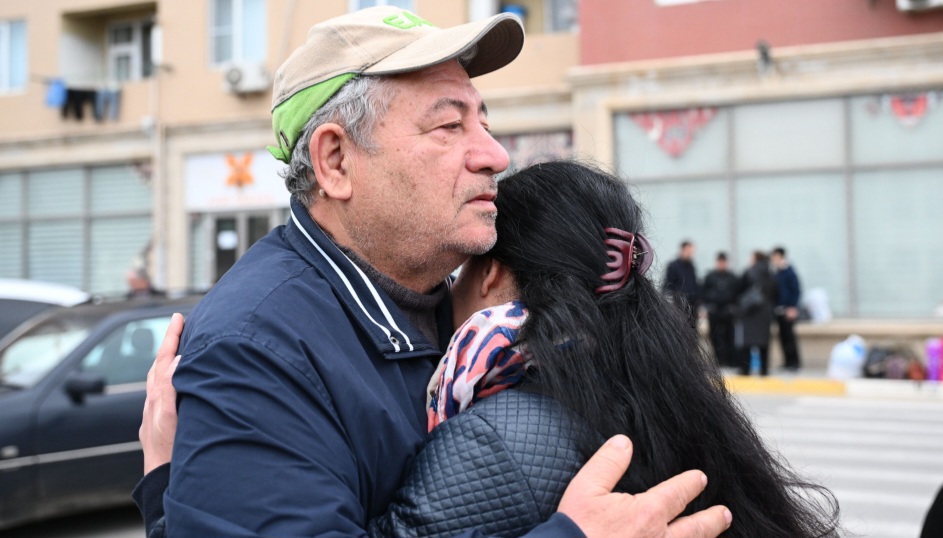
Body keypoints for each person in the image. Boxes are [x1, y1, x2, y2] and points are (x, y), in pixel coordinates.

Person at [133, 7, 732, 538]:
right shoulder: (258, 348)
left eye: (484, 123)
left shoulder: (467, 319)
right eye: (450, 126)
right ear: (336, 161)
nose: (495, 155)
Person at [139, 161, 839, 538]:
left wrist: (165, 481)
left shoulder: (499, 433)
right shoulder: (626, 379)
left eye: (461, 267)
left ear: (495, 276)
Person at [733, 251, 777, 376]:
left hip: (749, 312)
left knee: (746, 342)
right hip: (765, 313)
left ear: (755, 259)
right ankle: (764, 369)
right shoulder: (771, 274)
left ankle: (745, 368)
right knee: (764, 343)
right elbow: (775, 293)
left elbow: (738, 290)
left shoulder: (749, 272)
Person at [701, 252, 738, 367]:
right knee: (715, 336)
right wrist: (707, 307)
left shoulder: (732, 277)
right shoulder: (710, 277)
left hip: (728, 311)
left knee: (729, 336)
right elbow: (703, 293)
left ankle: (730, 360)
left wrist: (733, 308)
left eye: (723, 262)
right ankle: (718, 360)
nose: (722, 264)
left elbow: (737, 293)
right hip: (714, 311)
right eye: (720, 262)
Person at [770, 246, 802, 371]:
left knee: (790, 337)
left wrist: (792, 307)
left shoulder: (789, 271)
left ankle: (794, 362)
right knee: (783, 337)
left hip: (788, 310)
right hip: (779, 310)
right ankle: (787, 361)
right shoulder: (777, 272)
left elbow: (795, 290)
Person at [663, 240, 700, 330]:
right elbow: (667, 286)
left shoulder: (691, 266)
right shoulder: (673, 266)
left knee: (693, 330)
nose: (690, 254)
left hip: (693, 306)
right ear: (682, 250)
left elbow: (694, 284)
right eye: (688, 251)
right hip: (679, 305)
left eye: (691, 252)